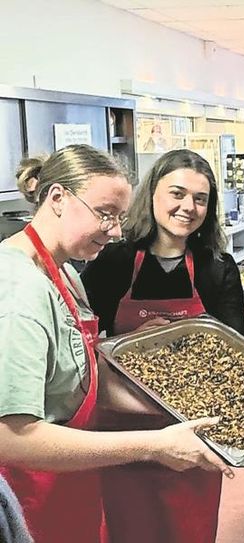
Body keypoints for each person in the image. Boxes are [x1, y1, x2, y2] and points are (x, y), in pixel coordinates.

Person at [0, 144, 230, 543]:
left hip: (74, 485)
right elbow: (12, 437)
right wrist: (153, 445)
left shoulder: (64, 272)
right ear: (58, 198)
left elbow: (87, 378)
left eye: (120, 217)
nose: (117, 231)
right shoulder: (20, 292)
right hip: (32, 500)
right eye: (105, 215)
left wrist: (175, 411)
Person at [80, 149, 244, 543]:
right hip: (125, 433)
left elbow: (239, 351)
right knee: (130, 529)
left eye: (200, 199)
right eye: (177, 193)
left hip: (194, 431)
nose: (187, 207)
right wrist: (133, 342)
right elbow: (85, 344)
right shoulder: (115, 260)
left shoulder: (216, 266)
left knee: (191, 530)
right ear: (152, 193)